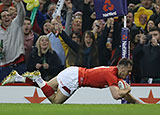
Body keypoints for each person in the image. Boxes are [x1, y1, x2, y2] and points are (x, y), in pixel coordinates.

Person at [2, 58, 142, 104]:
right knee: (55, 101)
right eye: (128, 71)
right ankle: (38, 78)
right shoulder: (112, 75)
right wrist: (127, 90)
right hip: (75, 79)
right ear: (121, 67)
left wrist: (137, 102)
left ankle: (18, 78)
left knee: (46, 87)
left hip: (73, 71)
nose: (128, 74)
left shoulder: (113, 72)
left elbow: (123, 94)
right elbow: (117, 95)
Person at [0, 0, 26, 82]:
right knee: (4, 91)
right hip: (4, 66)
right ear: (0, 20)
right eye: (4, 16)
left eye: (8, 15)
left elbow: (22, 13)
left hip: (19, 64)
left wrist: (18, 3)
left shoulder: (17, 24)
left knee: (22, 89)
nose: (7, 17)